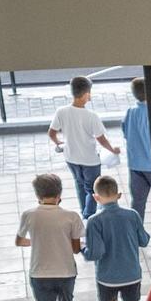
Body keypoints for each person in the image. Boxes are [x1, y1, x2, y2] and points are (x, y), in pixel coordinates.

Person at [13, 172, 87, 301]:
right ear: (59, 194)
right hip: (65, 271)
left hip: (39, 274)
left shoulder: (29, 215)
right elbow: (75, 249)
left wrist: (36, 242)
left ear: (37, 195)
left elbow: (19, 241)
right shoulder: (71, 216)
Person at [82, 174, 151, 301]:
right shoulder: (132, 215)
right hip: (131, 274)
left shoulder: (95, 221)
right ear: (119, 194)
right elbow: (144, 240)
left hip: (107, 276)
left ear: (96, 198)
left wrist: (83, 251)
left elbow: (96, 253)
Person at [48, 76, 118, 218]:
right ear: (86, 94)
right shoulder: (91, 116)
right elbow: (101, 139)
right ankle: (89, 216)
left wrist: (59, 143)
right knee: (92, 189)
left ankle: (84, 212)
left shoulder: (61, 111)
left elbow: (51, 133)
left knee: (80, 185)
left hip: (71, 157)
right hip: (90, 160)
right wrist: (113, 150)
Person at [121, 76, 151, 221]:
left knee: (138, 203)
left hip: (135, 164)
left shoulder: (130, 111)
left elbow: (125, 132)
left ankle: (136, 232)